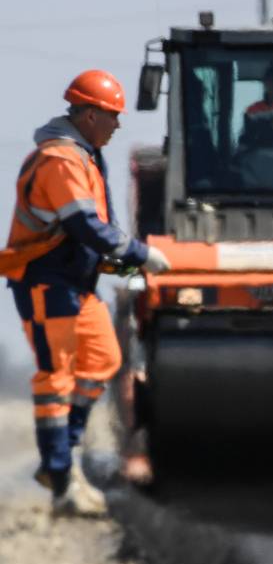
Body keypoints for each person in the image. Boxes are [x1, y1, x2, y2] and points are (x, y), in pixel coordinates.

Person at [1, 71, 170, 517]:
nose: (117, 125)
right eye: (112, 117)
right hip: (46, 283)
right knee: (56, 379)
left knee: (103, 360)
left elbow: (96, 232)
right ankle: (61, 479)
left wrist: (127, 261)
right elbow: (83, 226)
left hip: (76, 284)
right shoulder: (60, 159)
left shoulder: (86, 156)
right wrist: (142, 253)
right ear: (89, 113)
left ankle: (65, 460)